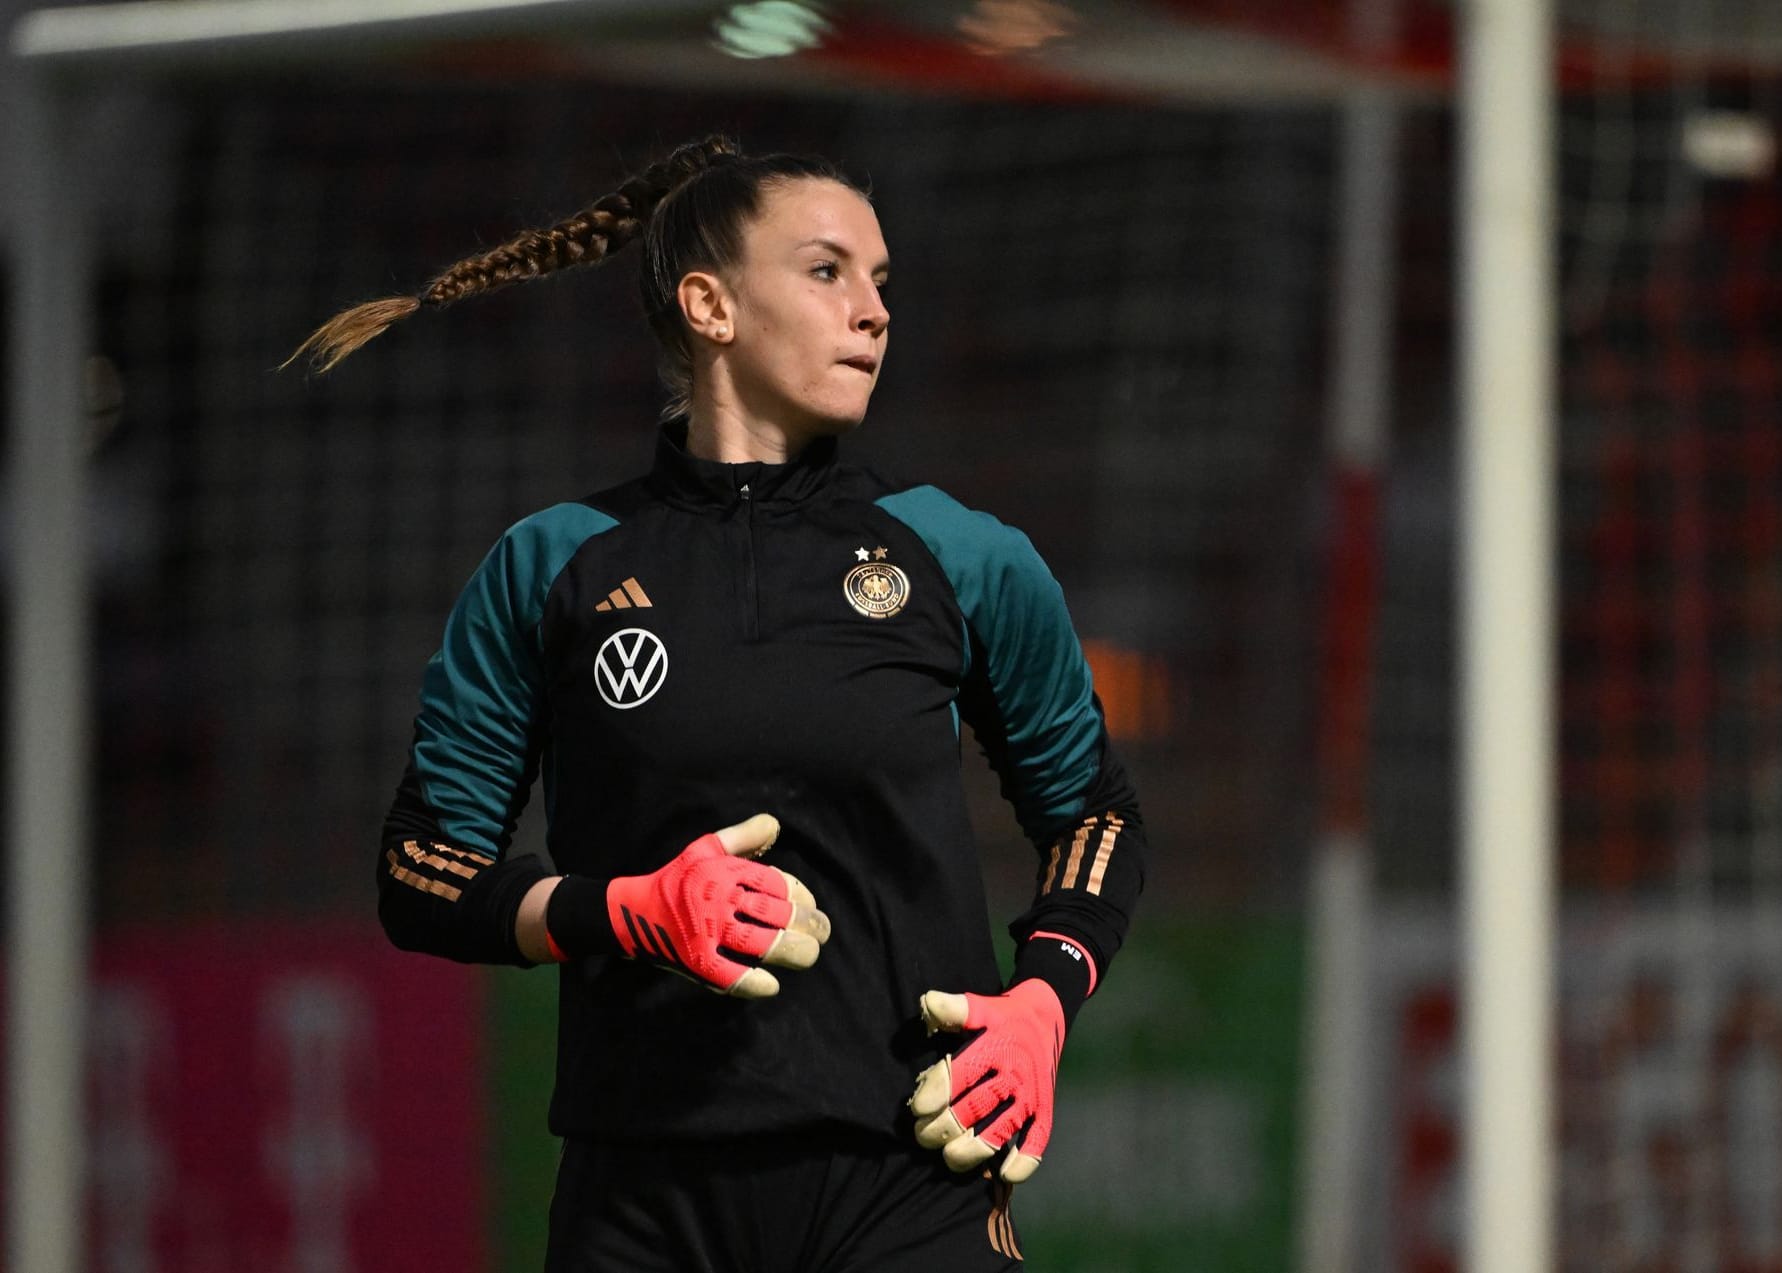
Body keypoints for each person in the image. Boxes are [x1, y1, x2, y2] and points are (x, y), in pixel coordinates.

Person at [288, 134, 1147, 1273]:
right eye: (827, 270)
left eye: (881, 281)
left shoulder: (963, 555)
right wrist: (625, 909)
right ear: (710, 305)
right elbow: (420, 869)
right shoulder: (552, 565)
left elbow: (1094, 815)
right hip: (643, 1200)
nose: (873, 311)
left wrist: (1042, 998)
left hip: (909, 1179)